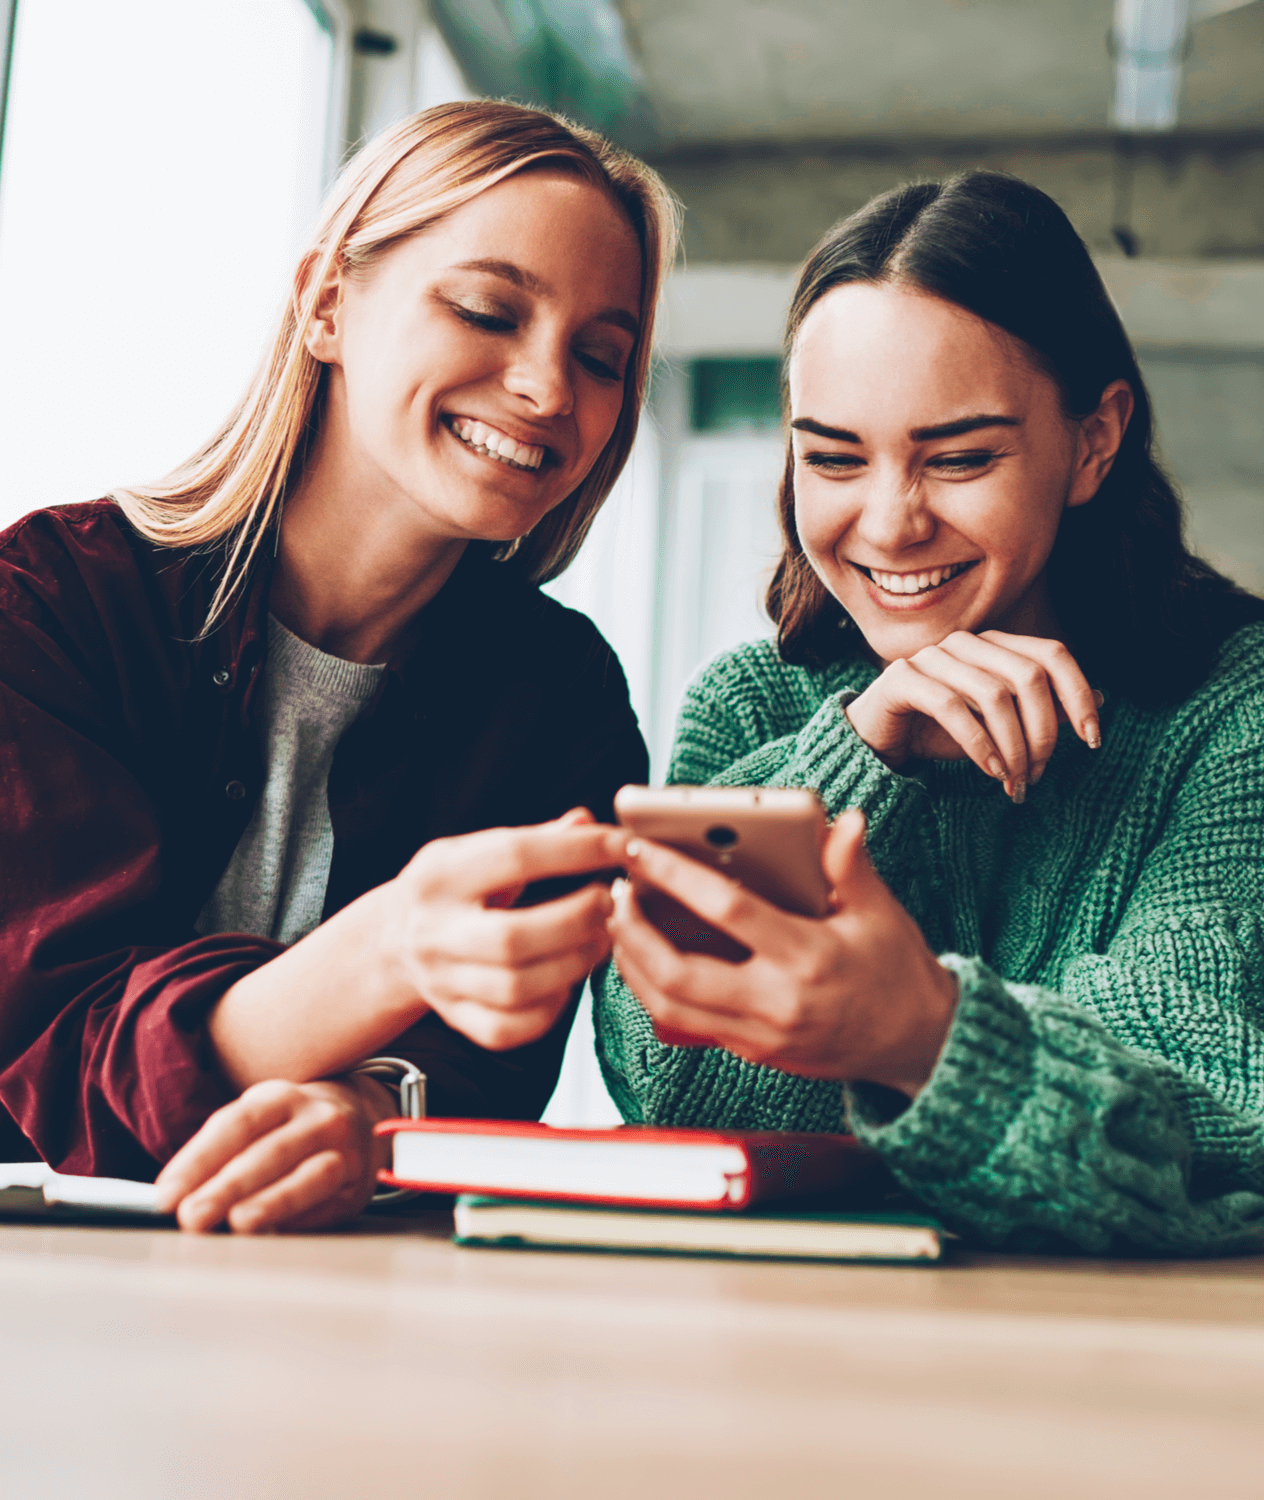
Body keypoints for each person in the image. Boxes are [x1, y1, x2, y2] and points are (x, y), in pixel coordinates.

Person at [0, 102, 677, 1232]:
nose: (549, 391)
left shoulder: (561, 701)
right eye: (485, 309)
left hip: (334, 1305)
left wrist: (374, 1121)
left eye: (600, 357)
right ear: (326, 303)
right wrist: (383, 953)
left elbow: (486, 1080)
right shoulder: (51, 606)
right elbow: (46, 1039)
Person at [596, 170, 1264, 1256]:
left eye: (959, 459)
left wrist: (916, 1032)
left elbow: (1202, 1126)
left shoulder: (1232, 713)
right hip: (789, 1352)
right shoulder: (749, 708)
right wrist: (856, 754)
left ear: (1093, 440)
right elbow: (673, 1100)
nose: (891, 524)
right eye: (831, 457)